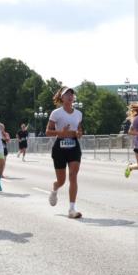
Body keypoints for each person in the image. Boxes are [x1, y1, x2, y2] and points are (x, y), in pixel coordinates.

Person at [46, 87, 84, 219]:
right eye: (67, 94)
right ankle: (55, 187)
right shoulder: (56, 113)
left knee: (73, 176)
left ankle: (72, 209)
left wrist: (79, 133)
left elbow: (79, 130)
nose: (70, 96)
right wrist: (60, 132)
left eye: (72, 94)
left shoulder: (78, 114)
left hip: (73, 146)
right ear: (62, 98)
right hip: (60, 148)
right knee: (61, 180)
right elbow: (48, 131)